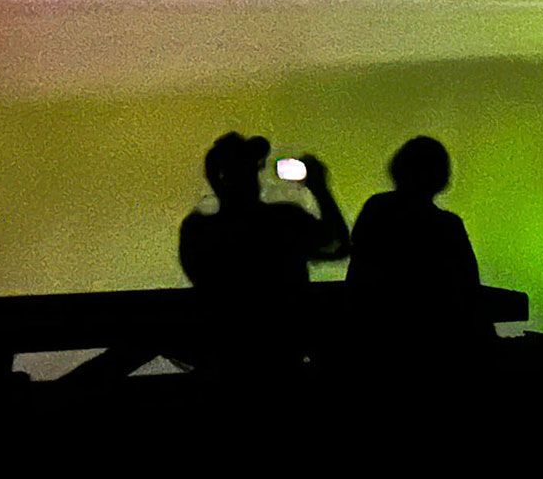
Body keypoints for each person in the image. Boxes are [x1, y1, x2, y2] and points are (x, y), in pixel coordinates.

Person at [176, 132, 348, 373]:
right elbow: (338, 245)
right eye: (250, 170)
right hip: (282, 356)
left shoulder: (197, 230)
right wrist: (320, 188)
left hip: (225, 358)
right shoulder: (283, 220)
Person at [346, 135, 489, 357]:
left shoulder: (377, 208)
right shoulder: (449, 225)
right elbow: (469, 286)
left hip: (374, 335)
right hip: (435, 339)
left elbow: (359, 268)